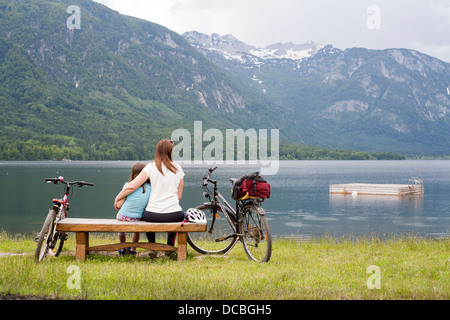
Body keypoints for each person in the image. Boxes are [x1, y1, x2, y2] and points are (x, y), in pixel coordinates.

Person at [114, 139, 184, 256]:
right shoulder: (178, 169)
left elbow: (131, 186)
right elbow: (179, 196)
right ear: (170, 152)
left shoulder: (151, 167)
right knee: (181, 214)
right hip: (174, 214)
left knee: (144, 216)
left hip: (152, 214)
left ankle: (153, 247)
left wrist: (118, 197)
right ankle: (169, 247)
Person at [115, 162, 151, 255]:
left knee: (121, 229)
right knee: (137, 230)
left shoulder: (128, 185)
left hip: (123, 216)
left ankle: (122, 248)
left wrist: (119, 199)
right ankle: (133, 250)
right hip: (138, 218)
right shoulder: (150, 188)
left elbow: (119, 206)